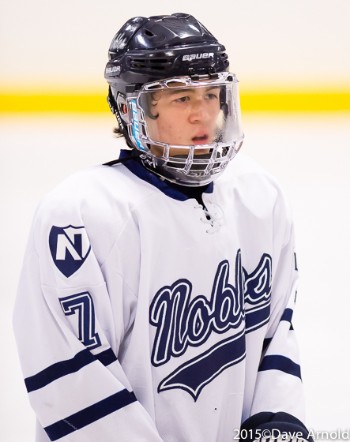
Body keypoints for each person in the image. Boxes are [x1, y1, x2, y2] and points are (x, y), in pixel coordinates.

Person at [13, 12, 313, 442]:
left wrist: (277, 429)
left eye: (211, 94)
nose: (204, 114)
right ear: (134, 110)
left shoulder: (260, 196)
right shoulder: (82, 216)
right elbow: (72, 376)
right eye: (181, 99)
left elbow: (275, 330)